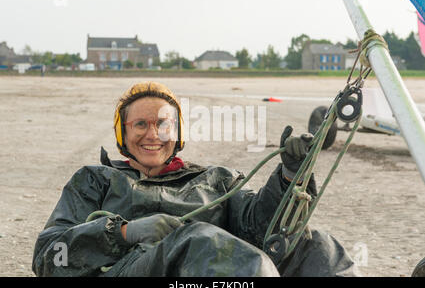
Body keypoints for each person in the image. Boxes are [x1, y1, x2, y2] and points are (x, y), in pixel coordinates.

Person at [32, 81, 359, 277]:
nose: (153, 135)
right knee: (199, 239)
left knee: (315, 245)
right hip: (131, 270)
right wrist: (123, 233)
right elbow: (50, 255)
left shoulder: (216, 179)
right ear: (123, 132)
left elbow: (262, 231)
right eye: (140, 125)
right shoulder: (95, 180)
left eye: (163, 124)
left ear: (177, 132)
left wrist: (289, 174)